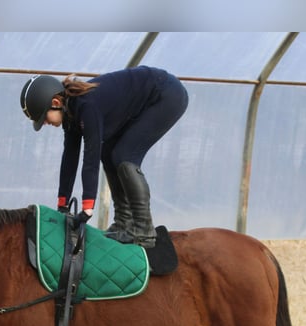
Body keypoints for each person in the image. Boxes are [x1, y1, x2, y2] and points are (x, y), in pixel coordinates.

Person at [20, 66, 188, 248]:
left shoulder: (86, 106)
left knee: (124, 156)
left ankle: (144, 230)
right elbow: (70, 158)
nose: (44, 123)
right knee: (109, 153)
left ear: (55, 102)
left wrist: (87, 208)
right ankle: (123, 222)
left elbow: (90, 158)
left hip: (166, 94)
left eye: (43, 117)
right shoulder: (70, 114)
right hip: (149, 99)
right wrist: (62, 204)